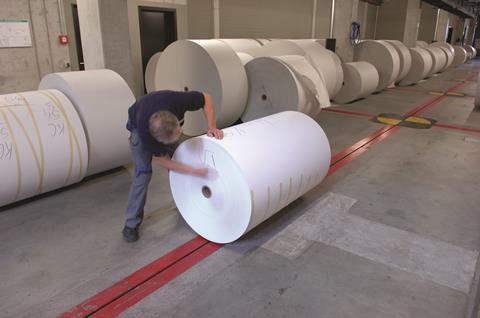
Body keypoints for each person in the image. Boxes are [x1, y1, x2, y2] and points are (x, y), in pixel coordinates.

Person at [123, 90, 224, 242]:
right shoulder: (145, 133)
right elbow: (162, 160)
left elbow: (207, 98)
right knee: (143, 174)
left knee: (180, 156)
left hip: (157, 109)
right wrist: (193, 170)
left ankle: (187, 201)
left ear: (177, 121)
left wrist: (211, 126)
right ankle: (130, 224)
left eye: (179, 132)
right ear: (158, 140)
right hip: (137, 127)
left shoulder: (179, 100)